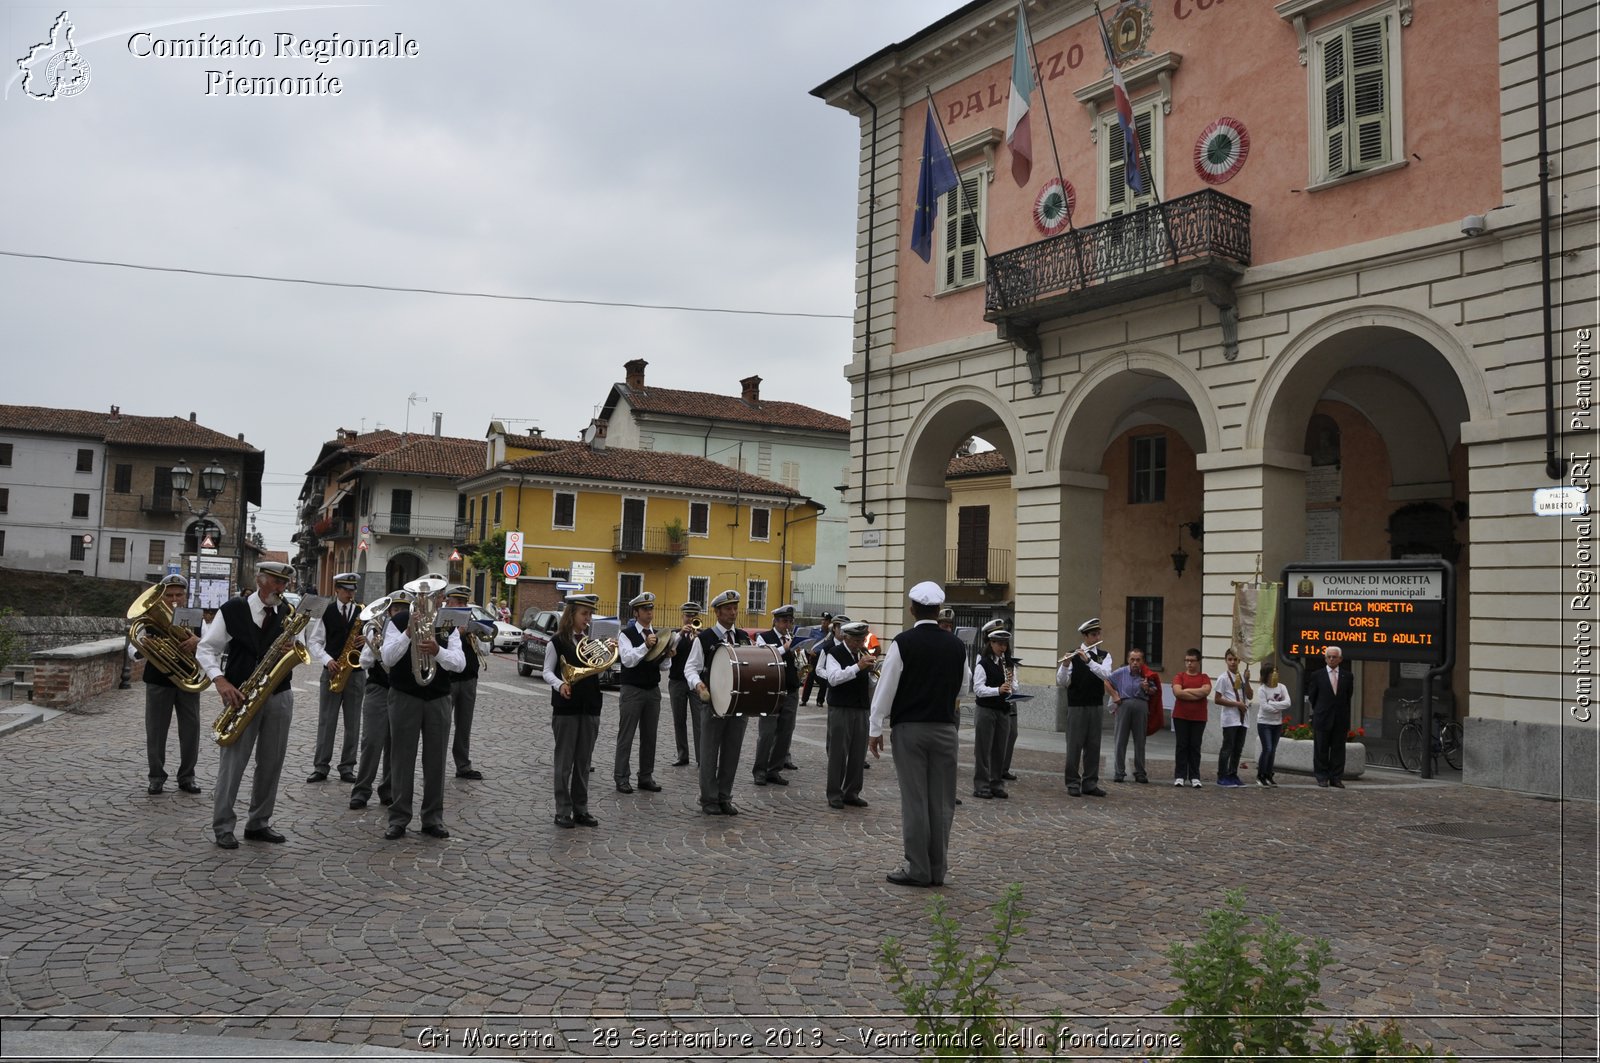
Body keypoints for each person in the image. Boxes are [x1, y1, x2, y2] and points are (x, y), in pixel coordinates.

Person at [196, 561, 301, 849]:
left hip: (279, 694)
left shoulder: (287, 613)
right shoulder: (233, 609)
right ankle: (223, 825)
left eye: (284, 584)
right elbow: (206, 648)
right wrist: (220, 680)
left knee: (271, 763)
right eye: (276, 583)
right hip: (241, 694)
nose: (281, 589)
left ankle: (259, 822)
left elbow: (297, 646)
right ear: (260, 581)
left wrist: (291, 646)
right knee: (233, 764)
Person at [869, 581, 966, 888]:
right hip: (945, 728)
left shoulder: (903, 642)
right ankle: (938, 869)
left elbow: (886, 689)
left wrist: (875, 727)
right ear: (939, 611)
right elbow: (964, 688)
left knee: (915, 800)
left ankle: (918, 868)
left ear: (912, 609)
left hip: (910, 728)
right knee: (941, 801)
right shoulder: (956, 645)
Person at [380, 582, 465, 840]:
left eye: (433, 596)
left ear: (440, 599)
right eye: (423, 596)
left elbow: (459, 664)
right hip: (405, 696)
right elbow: (387, 658)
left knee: (436, 761)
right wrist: (408, 633)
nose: (428, 601)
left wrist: (437, 651)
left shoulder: (447, 624)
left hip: (438, 698)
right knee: (401, 759)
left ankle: (432, 818)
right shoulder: (398, 620)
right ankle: (398, 818)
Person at [129, 574, 203, 795]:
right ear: (161, 596)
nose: (174, 599)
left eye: (178, 595)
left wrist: (198, 641)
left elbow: (212, 646)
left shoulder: (195, 617)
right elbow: (132, 649)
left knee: (191, 731)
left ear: (185, 596)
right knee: (156, 731)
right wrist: (144, 647)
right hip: (158, 680)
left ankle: (187, 777)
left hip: (187, 680)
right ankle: (156, 777)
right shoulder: (149, 618)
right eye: (169, 595)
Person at [685, 589, 754, 815]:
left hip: (738, 704)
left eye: (735, 608)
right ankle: (709, 798)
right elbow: (691, 667)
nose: (733, 613)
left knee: (732, 752)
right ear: (717, 612)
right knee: (709, 752)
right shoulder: (704, 638)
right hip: (713, 703)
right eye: (728, 609)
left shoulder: (743, 637)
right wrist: (698, 684)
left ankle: (725, 796)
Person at [544, 593, 610, 827]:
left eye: (590, 614)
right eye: (584, 614)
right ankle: (563, 810)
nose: (588, 618)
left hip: (590, 705)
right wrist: (559, 684)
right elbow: (547, 671)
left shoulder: (592, 642)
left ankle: (581, 808)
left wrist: (605, 657)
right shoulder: (557, 641)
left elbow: (600, 674)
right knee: (564, 762)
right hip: (566, 707)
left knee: (583, 762)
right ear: (571, 614)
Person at [349, 589, 408, 810]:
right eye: (396, 609)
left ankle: (389, 790)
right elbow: (364, 662)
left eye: (403, 609)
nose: (399, 613)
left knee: (396, 743)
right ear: (389, 611)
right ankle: (361, 790)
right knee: (372, 742)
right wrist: (377, 647)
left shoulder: (409, 632)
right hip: (378, 689)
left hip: (401, 692)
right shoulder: (376, 631)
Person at [306, 572, 365, 785]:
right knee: (326, 721)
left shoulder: (362, 613)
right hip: (332, 671)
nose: (350, 594)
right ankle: (320, 767)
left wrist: (366, 640)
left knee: (353, 723)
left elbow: (374, 645)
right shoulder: (327, 611)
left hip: (356, 675)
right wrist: (327, 660)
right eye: (347, 590)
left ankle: (347, 766)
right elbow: (314, 642)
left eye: (353, 590)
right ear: (337, 590)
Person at [820, 620, 875, 809]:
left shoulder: (863, 653)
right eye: (857, 641)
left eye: (862, 640)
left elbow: (869, 682)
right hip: (841, 708)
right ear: (846, 638)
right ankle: (834, 793)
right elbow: (833, 679)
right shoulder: (834, 653)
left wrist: (873, 676)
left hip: (861, 707)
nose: (861, 644)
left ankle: (852, 792)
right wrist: (858, 667)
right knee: (838, 753)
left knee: (858, 753)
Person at [1056, 618, 1114, 797]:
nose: (1097, 637)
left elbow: (1106, 675)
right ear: (1085, 636)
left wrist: (1088, 661)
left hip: (1095, 705)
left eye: (1098, 634)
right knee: (1074, 745)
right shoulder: (1073, 655)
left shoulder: (1104, 656)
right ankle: (1072, 782)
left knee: (1093, 745)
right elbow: (1062, 681)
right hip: (1077, 706)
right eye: (1093, 634)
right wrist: (1065, 666)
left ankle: (1090, 782)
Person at [614, 590, 664, 794]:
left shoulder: (658, 634)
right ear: (636, 612)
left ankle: (646, 776)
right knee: (626, 735)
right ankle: (621, 777)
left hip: (652, 690)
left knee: (650, 736)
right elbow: (627, 660)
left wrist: (668, 655)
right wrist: (645, 645)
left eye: (651, 608)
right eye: (645, 609)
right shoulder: (626, 634)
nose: (649, 612)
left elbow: (663, 666)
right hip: (632, 690)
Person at [753, 604, 801, 787]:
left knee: (785, 733)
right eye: (783, 621)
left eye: (790, 621)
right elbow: (764, 658)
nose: (787, 625)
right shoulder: (763, 638)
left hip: (790, 690)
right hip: (770, 691)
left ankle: (774, 770)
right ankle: (760, 771)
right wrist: (785, 648)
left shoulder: (792, 638)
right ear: (775, 621)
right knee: (766, 733)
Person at [444, 585, 486, 781]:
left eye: (463, 603)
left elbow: (485, 649)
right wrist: (457, 633)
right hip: (449, 680)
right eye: (456, 602)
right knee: (442, 724)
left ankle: (463, 765)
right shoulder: (442, 623)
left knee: (464, 725)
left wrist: (477, 633)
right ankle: (437, 762)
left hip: (469, 679)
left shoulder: (471, 622)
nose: (460, 606)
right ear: (448, 603)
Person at [971, 629, 1014, 799]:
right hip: (986, 710)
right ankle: (981, 784)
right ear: (991, 643)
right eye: (999, 644)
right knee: (983, 749)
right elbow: (978, 689)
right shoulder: (983, 664)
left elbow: (1014, 686)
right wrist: (998, 689)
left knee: (999, 749)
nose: (1002, 648)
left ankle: (996, 783)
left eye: (1005, 644)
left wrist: (1012, 686)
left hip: (1003, 710)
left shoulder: (1008, 663)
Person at [1304, 644, 1354, 787]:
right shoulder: (1317, 675)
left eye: (1334, 657)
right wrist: (1321, 710)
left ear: (1340, 659)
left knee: (1338, 750)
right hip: (1322, 717)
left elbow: (1348, 696)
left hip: (1340, 719)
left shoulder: (1348, 676)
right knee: (1321, 749)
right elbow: (1313, 697)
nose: (1332, 659)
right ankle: (1322, 776)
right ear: (1325, 659)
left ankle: (1336, 777)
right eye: (1329, 657)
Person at [1107, 647, 1159, 784]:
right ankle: (1119, 771)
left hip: (1141, 705)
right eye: (1132, 659)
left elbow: (1154, 691)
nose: (1135, 662)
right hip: (1124, 704)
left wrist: (1147, 688)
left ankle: (1140, 772)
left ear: (1142, 661)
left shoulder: (1146, 674)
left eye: (1138, 660)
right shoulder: (1120, 672)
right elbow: (1106, 681)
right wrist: (1114, 695)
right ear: (1128, 660)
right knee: (1120, 740)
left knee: (1140, 741)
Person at [667, 602, 702, 767]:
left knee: (699, 720)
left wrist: (697, 637)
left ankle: (702, 757)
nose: (690, 620)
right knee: (679, 720)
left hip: (695, 684)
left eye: (694, 616)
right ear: (682, 617)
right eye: (688, 616)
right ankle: (682, 755)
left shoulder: (701, 636)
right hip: (677, 681)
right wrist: (681, 634)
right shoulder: (675, 635)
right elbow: (668, 650)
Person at [1171, 649, 1213, 788]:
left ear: (1198, 662)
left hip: (1199, 717)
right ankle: (1180, 776)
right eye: (1187, 660)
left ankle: (1195, 776)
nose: (1189, 663)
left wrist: (1186, 691)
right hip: (1181, 716)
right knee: (1182, 746)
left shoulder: (1204, 677)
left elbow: (1206, 691)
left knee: (1195, 746)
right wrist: (1196, 694)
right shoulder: (1179, 676)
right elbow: (1178, 692)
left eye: (1192, 660)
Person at [1213, 648, 1253, 787]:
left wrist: (1247, 681)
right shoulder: (1223, 678)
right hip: (1230, 718)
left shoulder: (1242, 676)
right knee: (1227, 747)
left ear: (1239, 661)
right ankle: (1222, 775)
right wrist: (1236, 704)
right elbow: (1217, 699)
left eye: (1235, 659)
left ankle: (1233, 774)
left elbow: (1250, 695)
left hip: (1243, 718)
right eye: (1230, 659)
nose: (1232, 662)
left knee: (1238, 748)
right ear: (1226, 661)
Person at [1255, 663, 1290, 787]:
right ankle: (1261, 775)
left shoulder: (1282, 687)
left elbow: (1287, 703)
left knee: (1273, 750)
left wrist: (1273, 704)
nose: (1274, 676)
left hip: (1277, 723)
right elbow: (1264, 707)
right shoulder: (1262, 689)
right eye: (1271, 673)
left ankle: (1269, 774)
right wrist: (1276, 706)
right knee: (1267, 748)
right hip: (1265, 723)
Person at [799, 612, 833, 706]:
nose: (823, 622)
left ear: (830, 622)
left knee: (823, 680)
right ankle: (804, 700)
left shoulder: (831, 634)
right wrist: (808, 650)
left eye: (826, 620)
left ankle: (820, 701)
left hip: (824, 658)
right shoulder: (815, 631)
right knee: (809, 678)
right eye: (822, 620)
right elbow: (806, 642)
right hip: (814, 657)